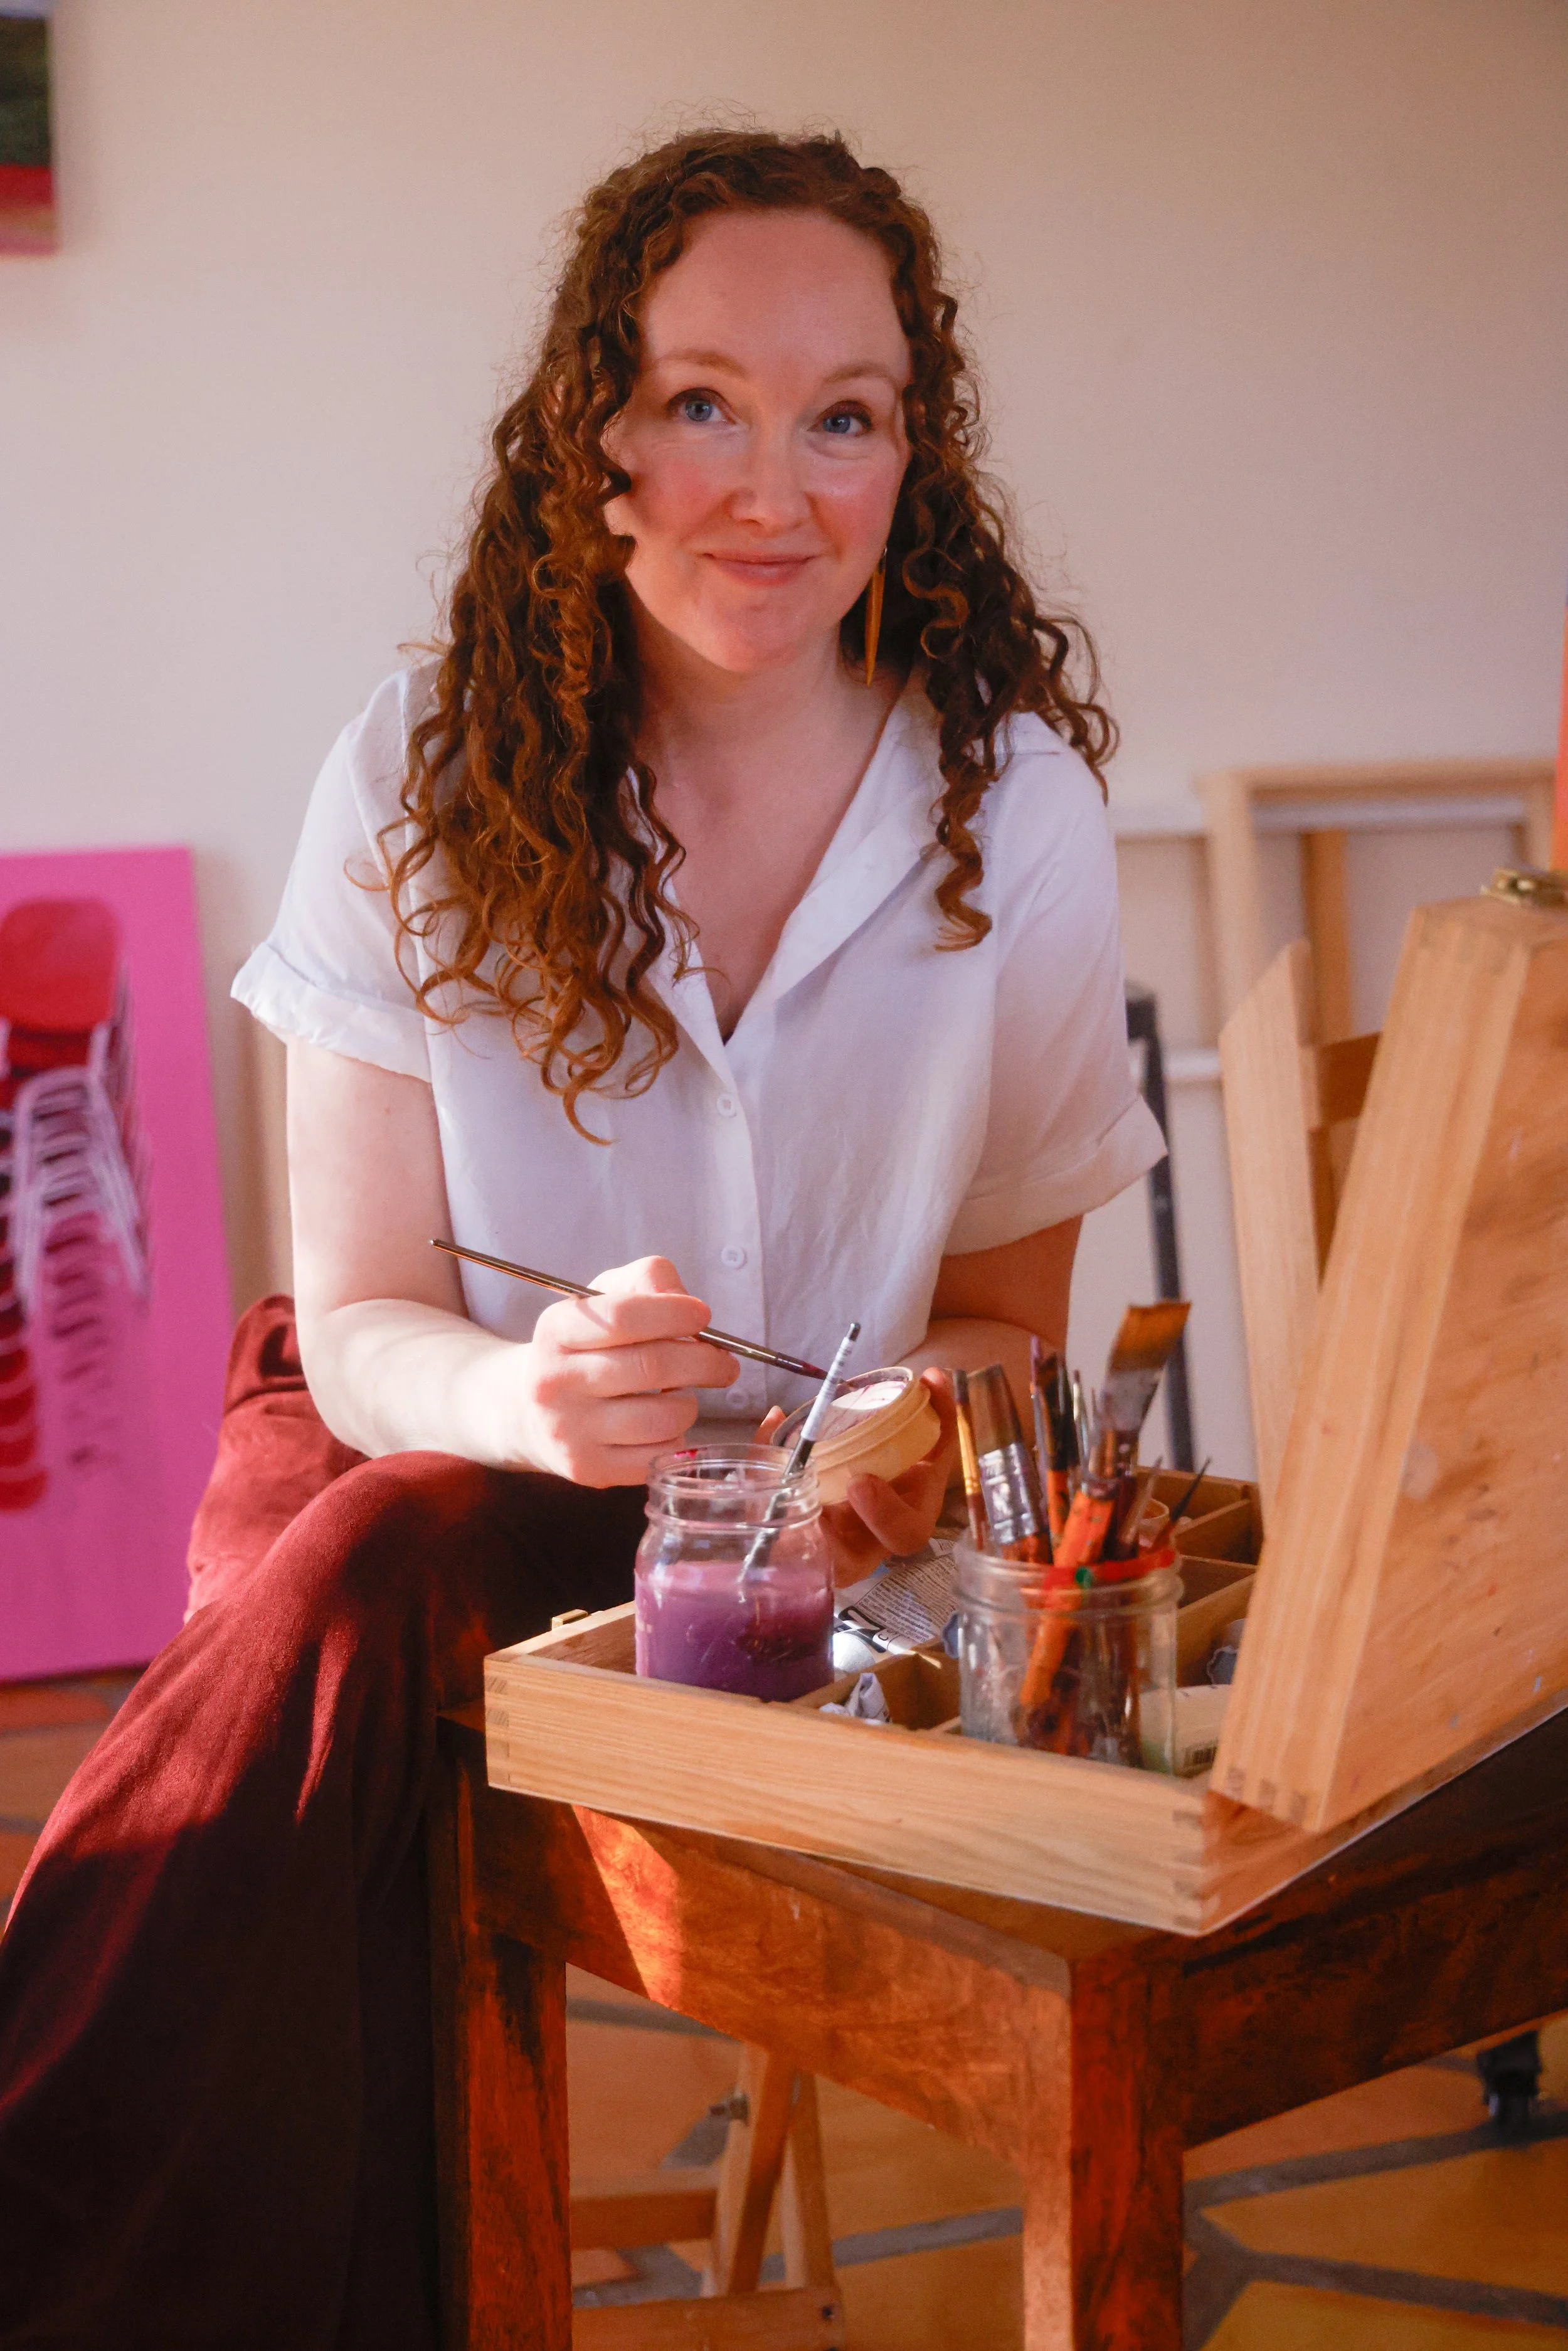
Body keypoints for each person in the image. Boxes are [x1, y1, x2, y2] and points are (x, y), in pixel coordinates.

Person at [0, 128, 1162, 2349]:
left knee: (360, 1650)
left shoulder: (1010, 806)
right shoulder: (419, 768)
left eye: (844, 414)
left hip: (775, 1525)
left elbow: (1012, 1329)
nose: (771, 483)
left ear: (911, 456)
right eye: (700, 398)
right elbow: (354, 1318)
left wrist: (852, 1426)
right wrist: (527, 1400)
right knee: (381, 1559)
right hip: (396, 1426)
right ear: (593, 435)